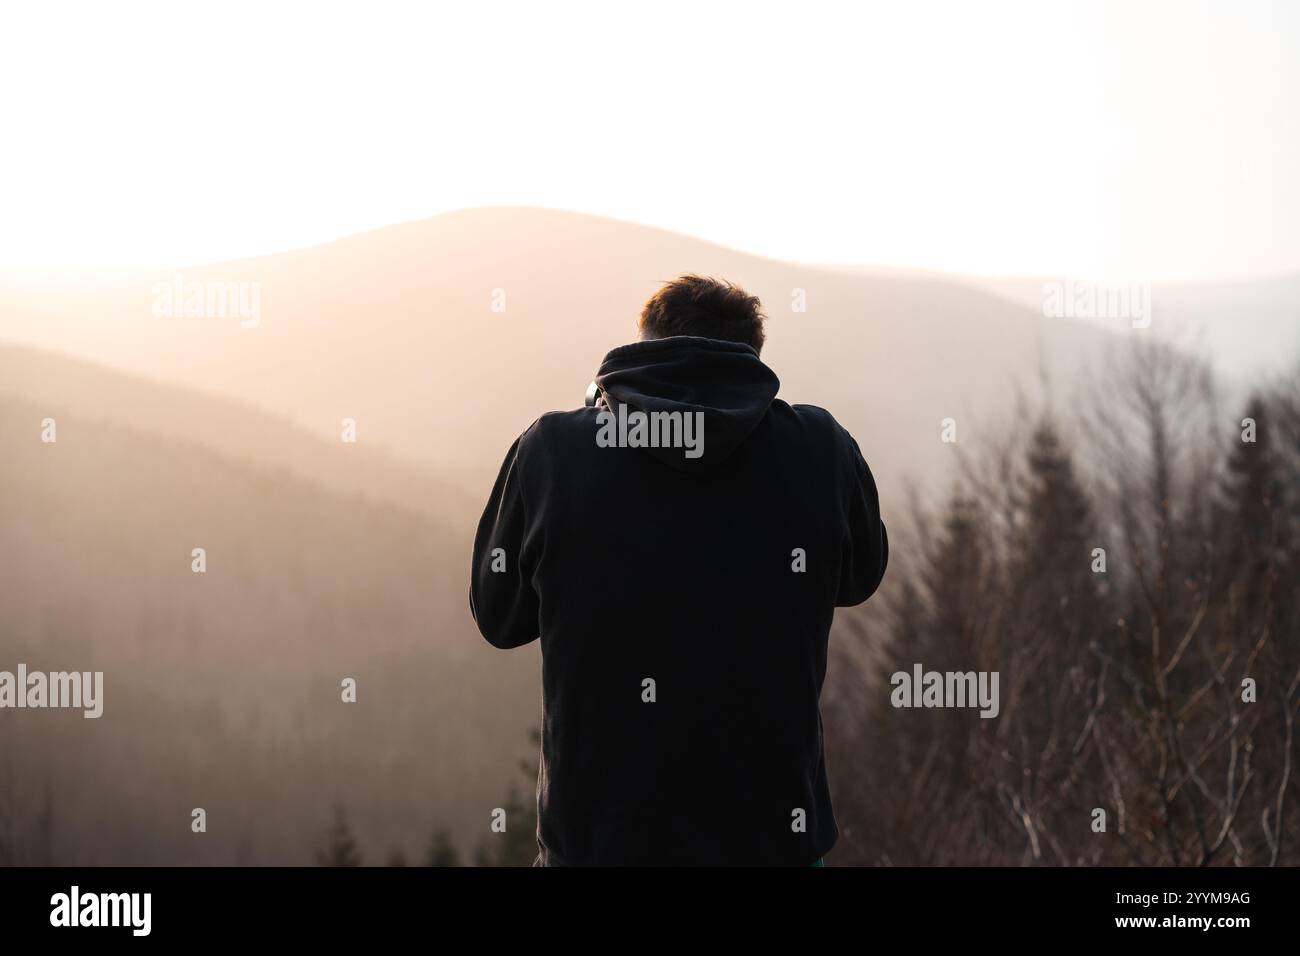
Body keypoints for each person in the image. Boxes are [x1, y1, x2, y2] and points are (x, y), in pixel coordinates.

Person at [470, 274, 888, 865]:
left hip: (598, 846)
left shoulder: (554, 450)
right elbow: (860, 577)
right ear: (753, 359)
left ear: (642, 347)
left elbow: (498, 615)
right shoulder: (821, 448)